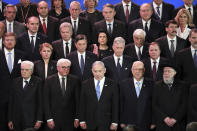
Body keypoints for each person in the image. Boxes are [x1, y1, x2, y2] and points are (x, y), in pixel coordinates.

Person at [79, 61, 119, 131]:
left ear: (105, 70)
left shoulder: (113, 84)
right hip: (90, 122)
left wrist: (115, 122)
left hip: (106, 122)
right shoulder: (85, 84)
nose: (97, 74)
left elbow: (115, 104)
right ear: (92, 71)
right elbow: (82, 103)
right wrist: (82, 120)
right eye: (95, 71)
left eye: (100, 71)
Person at [44, 58, 80, 131]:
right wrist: (49, 118)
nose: (66, 69)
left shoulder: (75, 80)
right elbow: (46, 101)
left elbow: (78, 101)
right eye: (63, 67)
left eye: (68, 67)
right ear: (57, 68)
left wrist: (77, 118)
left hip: (70, 120)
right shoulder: (49, 80)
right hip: (54, 119)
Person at [8, 61, 43, 131]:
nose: (24, 71)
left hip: (31, 120)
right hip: (16, 120)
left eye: (26, 70)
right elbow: (11, 101)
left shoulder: (38, 82)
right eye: (22, 69)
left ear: (32, 71)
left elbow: (41, 102)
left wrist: (39, 119)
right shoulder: (15, 81)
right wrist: (10, 119)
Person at [152, 64, 188, 131]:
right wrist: (165, 118)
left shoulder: (183, 86)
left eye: (169, 71)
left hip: (178, 124)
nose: (166, 73)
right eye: (164, 71)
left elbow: (184, 104)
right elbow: (154, 104)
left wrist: (175, 119)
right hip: (162, 124)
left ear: (174, 73)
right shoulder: (157, 86)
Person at [120, 61, 154, 131]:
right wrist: (121, 121)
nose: (137, 71)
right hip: (128, 122)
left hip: (146, 122)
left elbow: (154, 104)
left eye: (140, 69)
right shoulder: (124, 84)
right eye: (135, 69)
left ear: (144, 70)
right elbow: (121, 103)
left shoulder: (151, 84)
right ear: (132, 70)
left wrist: (154, 121)